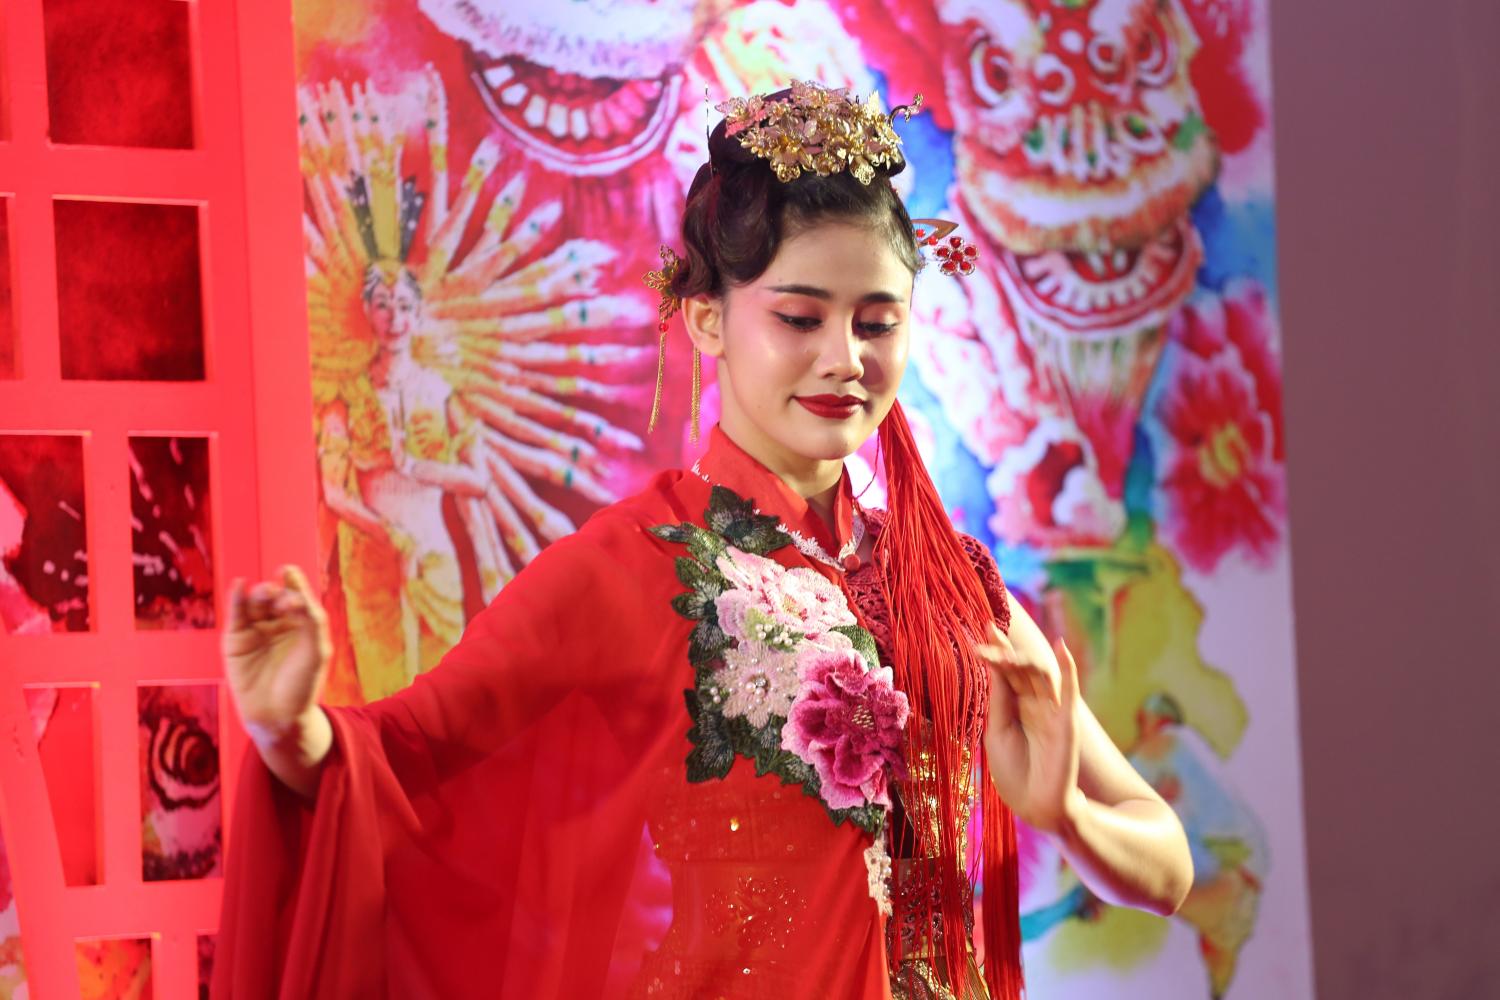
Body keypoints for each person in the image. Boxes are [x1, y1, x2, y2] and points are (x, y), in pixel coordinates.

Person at [214, 82, 1191, 1000]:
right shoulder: (643, 561)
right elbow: (403, 762)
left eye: (878, 321)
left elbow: (1169, 864)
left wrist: (1063, 811)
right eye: (801, 317)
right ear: (707, 317)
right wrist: (284, 727)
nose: (844, 359)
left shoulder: (950, 580)